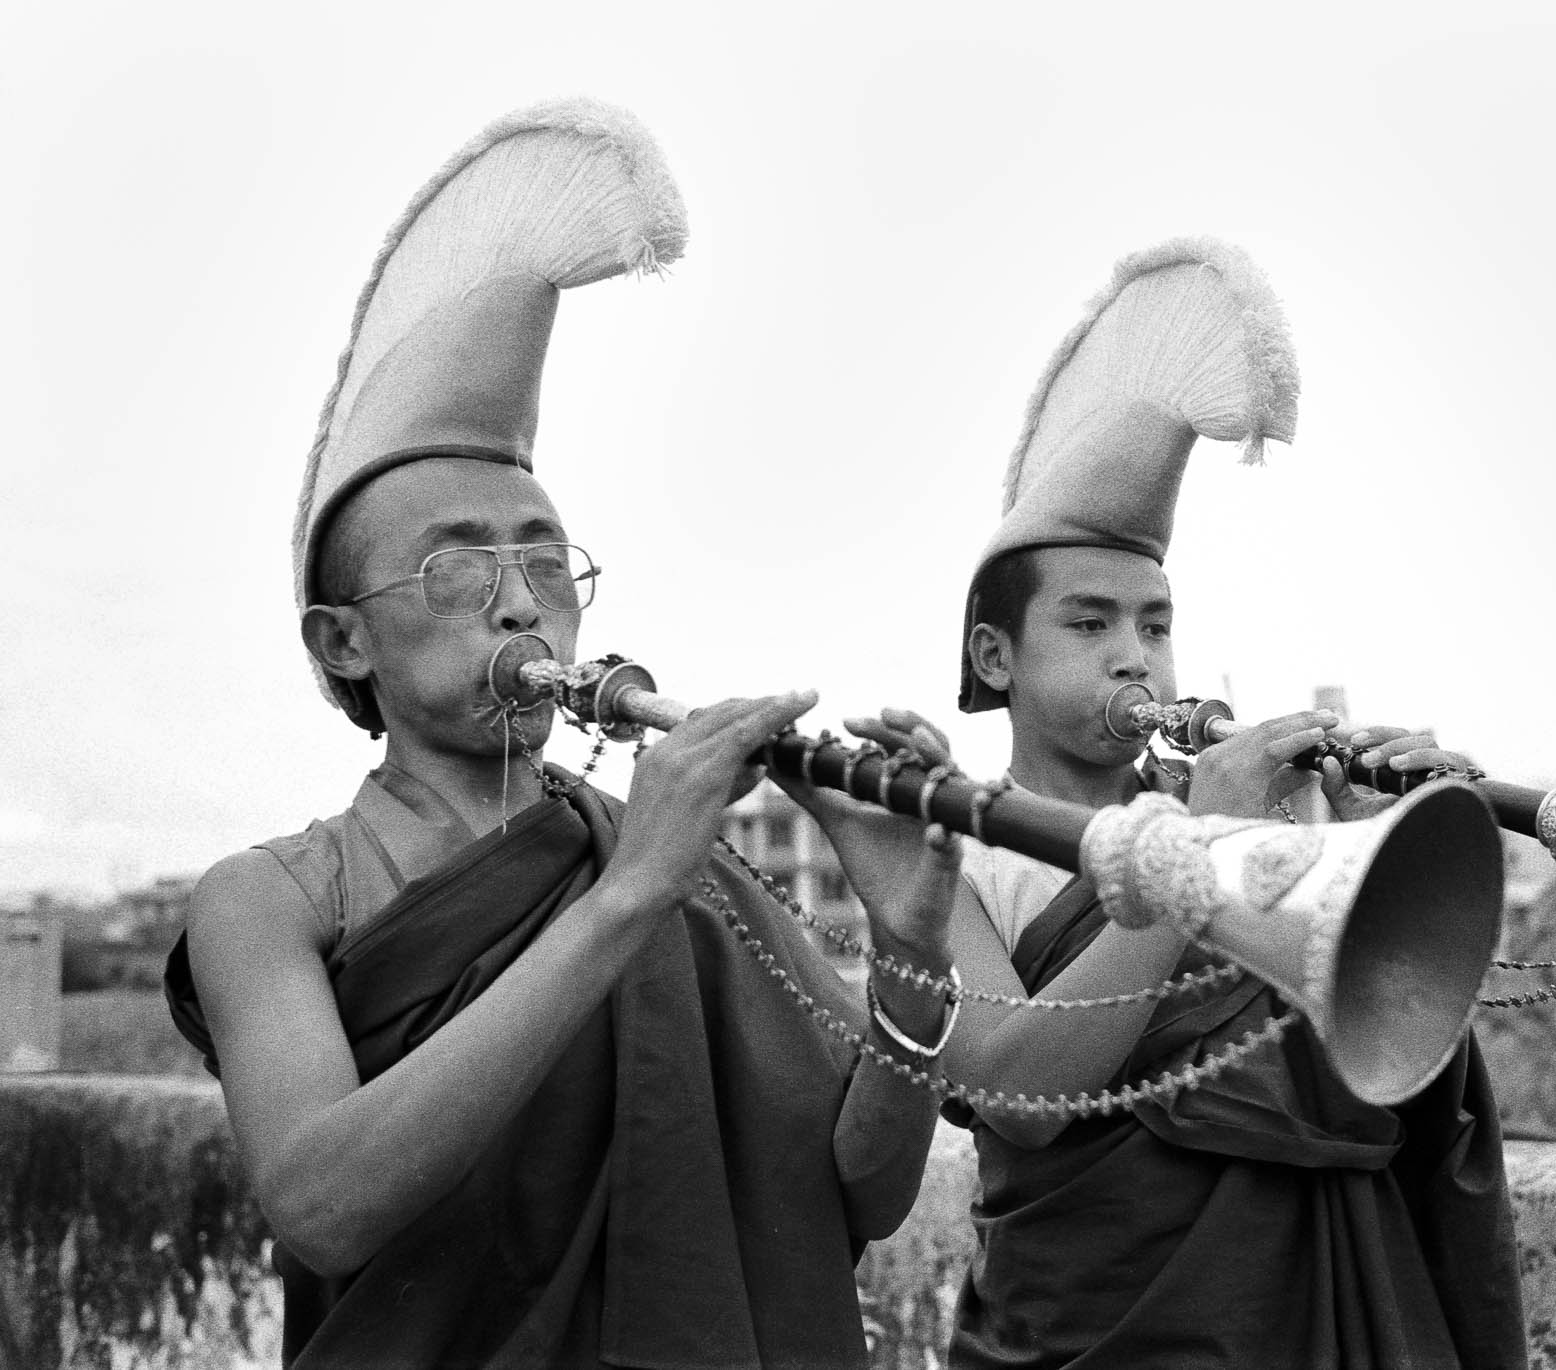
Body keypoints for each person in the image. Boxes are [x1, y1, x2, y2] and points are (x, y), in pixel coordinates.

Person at [164, 100, 962, 1370]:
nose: (522, 596)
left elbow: (853, 1194)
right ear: (341, 642)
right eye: (457, 563)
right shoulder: (267, 896)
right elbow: (321, 1203)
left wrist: (913, 946)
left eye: (547, 557)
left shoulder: (682, 870)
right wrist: (622, 900)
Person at [919, 239, 1529, 1367]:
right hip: (1083, 1325)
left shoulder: (1249, 817)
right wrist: (1192, 841)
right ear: (994, 655)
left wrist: (1368, 845)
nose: (1134, 656)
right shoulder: (947, 850)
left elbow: (1366, 1074)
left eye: (1154, 623)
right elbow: (1015, 1097)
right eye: (1089, 622)